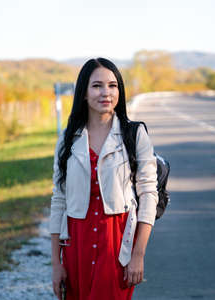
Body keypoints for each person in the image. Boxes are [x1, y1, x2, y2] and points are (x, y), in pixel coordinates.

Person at [49, 58, 158, 300]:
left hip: (117, 243)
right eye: (97, 86)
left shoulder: (134, 134)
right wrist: (56, 264)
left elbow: (149, 194)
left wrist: (138, 254)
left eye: (113, 85)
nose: (106, 93)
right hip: (76, 243)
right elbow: (59, 200)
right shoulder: (68, 139)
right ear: (84, 93)